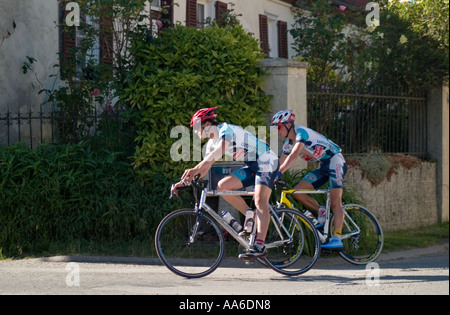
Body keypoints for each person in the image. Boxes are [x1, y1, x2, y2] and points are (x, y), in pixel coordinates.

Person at [172, 107, 279, 258]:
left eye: (197, 128)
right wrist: (184, 182)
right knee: (223, 187)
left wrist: (194, 169)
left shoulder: (226, 130)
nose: (195, 132)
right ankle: (253, 216)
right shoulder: (210, 143)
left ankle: (260, 245)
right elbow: (205, 168)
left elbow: (219, 152)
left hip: (267, 160)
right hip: (252, 165)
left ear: (207, 124)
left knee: (260, 199)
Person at [271, 110, 347, 250]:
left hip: (335, 161)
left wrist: (279, 173)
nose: (277, 130)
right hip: (323, 165)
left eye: (278, 127)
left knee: (336, 202)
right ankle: (322, 212)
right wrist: (270, 175)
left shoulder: (301, 133)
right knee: (298, 192)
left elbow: (293, 156)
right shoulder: (287, 144)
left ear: (288, 125)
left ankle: (337, 238)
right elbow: (281, 162)